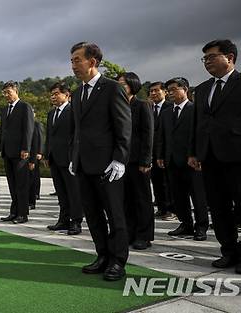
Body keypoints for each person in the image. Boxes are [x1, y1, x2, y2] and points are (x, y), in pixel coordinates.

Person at [188, 39, 241, 274]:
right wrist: (194, 151)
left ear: (229, 58)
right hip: (210, 157)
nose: (207, 61)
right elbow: (198, 123)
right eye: (204, 58)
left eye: (211, 56)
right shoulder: (203, 88)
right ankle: (228, 251)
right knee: (218, 208)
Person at [69, 42, 131, 281]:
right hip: (84, 164)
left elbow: (123, 126)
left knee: (115, 214)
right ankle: (102, 255)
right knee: (93, 214)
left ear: (92, 61)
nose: (73, 65)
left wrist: (119, 159)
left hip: (108, 166)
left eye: (77, 60)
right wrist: (74, 158)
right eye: (72, 60)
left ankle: (118, 261)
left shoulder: (112, 88)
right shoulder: (77, 93)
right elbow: (76, 131)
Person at [157, 77, 209, 241]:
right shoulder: (166, 113)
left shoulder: (195, 109)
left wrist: (197, 155)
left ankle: (201, 227)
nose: (170, 93)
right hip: (171, 161)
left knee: (197, 196)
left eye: (174, 89)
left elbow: (200, 134)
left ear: (185, 89)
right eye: (169, 90)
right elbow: (161, 136)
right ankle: (186, 224)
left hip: (191, 161)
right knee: (179, 196)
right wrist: (159, 155)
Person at [117, 72, 154, 250]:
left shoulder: (142, 105)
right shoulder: (117, 105)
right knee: (126, 200)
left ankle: (144, 235)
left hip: (138, 161)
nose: (120, 87)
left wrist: (146, 160)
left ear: (132, 85)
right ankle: (129, 232)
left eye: (123, 84)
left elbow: (148, 135)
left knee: (142, 199)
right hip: (121, 161)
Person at [43, 82, 82, 235]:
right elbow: (49, 136)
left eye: (56, 93)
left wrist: (75, 157)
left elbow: (76, 136)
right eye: (51, 94)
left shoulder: (73, 110)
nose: (53, 96)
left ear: (67, 95)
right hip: (55, 158)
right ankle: (63, 219)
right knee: (61, 192)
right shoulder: (51, 113)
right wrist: (47, 154)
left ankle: (76, 221)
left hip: (69, 158)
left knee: (73, 191)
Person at [0, 81, 34, 224]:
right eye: (4, 93)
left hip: (20, 153)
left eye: (9, 92)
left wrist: (26, 148)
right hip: (8, 152)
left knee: (21, 184)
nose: (6, 95)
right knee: (12, 184)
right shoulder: (5, 109)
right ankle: (14, 212)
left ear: (16, 91)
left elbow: (28, 129)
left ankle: (23, 214)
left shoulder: (25, 107)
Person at [148, 82, 175, 221]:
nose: (153, 93)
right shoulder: (149, 108)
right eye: (151, 91)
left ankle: (172, 209)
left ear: (164, 92)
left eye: (156, 91)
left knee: (168, 182)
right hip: (153, 151)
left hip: (167, 151)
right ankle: (161, 207)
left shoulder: (171, 107)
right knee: (157, 181)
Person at [28, 116, 43, 210]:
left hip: (33, 155)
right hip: (24, 156)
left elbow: (39, 139)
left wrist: (40, 152)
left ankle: (32, 199)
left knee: (34, 177)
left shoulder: (36, 124)